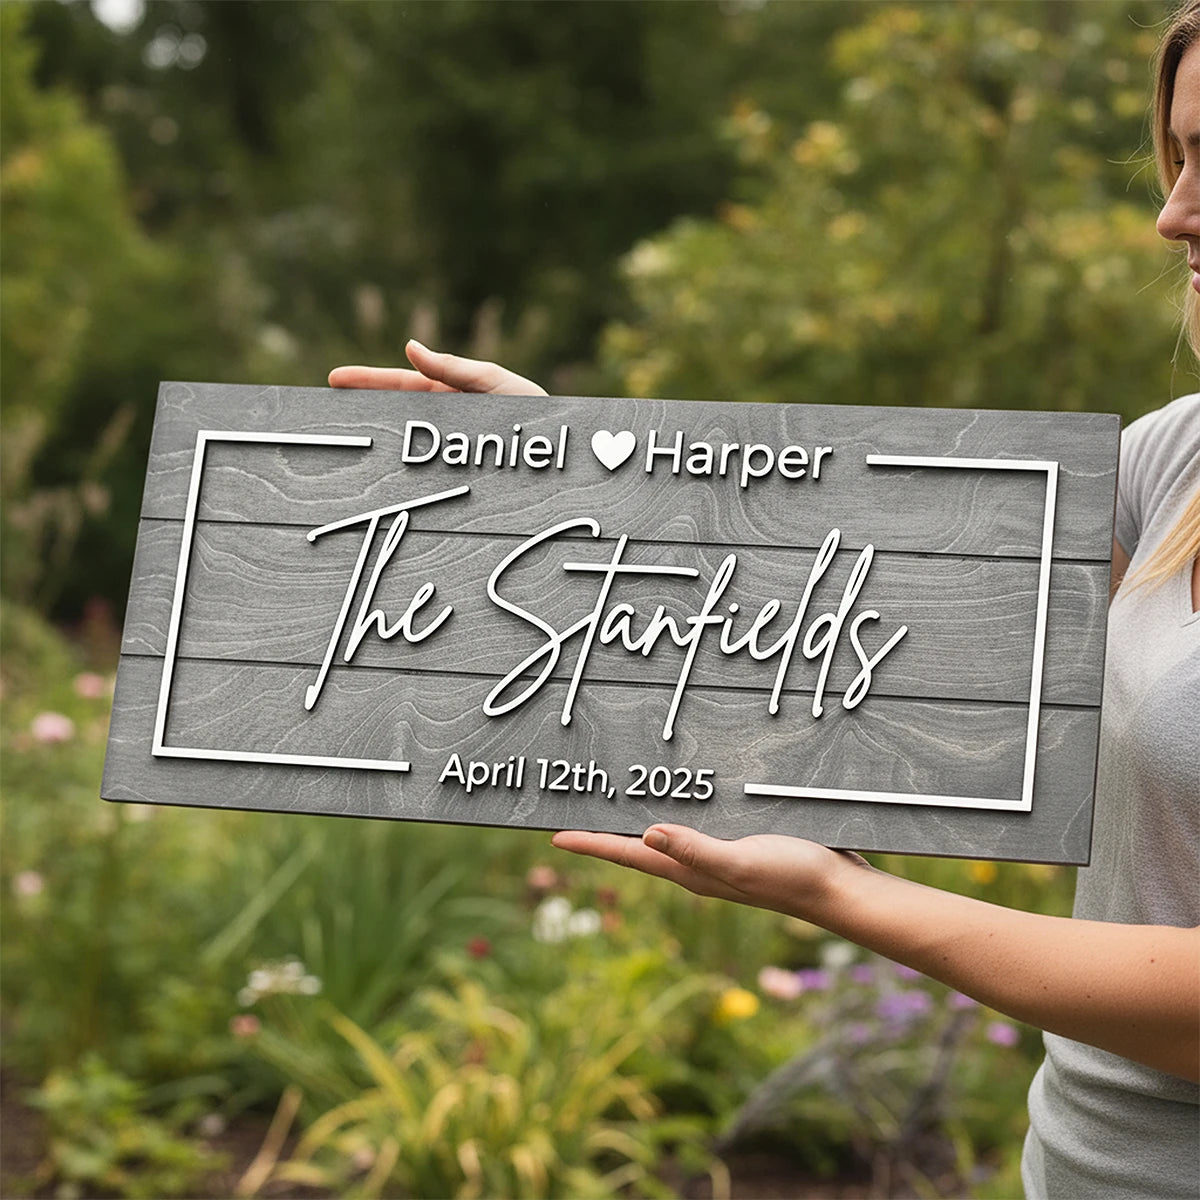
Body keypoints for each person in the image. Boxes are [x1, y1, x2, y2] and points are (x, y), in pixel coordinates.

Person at [331, 7, 1200, 1195]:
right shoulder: (1180, 459)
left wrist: (850, 894)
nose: (1172, 213)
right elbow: (860, 592)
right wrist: (568, 471)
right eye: (1181, 156)